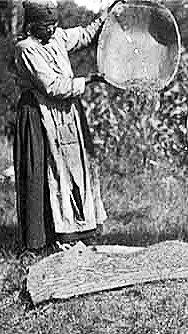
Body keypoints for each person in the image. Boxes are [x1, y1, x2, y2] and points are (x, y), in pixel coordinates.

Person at [13, 0, 122, 255]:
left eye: (54, 24)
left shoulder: (58, 38)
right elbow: (52, 86)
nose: (51, 30)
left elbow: (85, 34)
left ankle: (71, 230)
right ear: (32, 25)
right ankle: (40, 240)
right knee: (41, 173)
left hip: (65, 114)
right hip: (39, 115)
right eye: (45, 26)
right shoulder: (26, 49)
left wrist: (107, 14)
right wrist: (90, 80)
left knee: (69, 170)